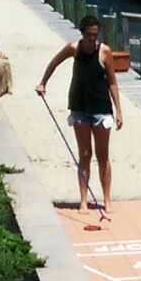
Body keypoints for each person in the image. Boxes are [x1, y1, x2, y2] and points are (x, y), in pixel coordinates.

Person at [35, 14, 123, 214]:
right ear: (82, 33)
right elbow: (54, 63)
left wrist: (119, 111)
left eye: (95, 35)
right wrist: (43, 82)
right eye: (89, 35)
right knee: (84, 154)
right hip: (79, 106)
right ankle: (83, 200)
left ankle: (107, 199)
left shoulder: (105, 52)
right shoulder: (73, 48)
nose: (93, 39)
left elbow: (112, 81)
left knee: (103, 155)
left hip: (101, 107)